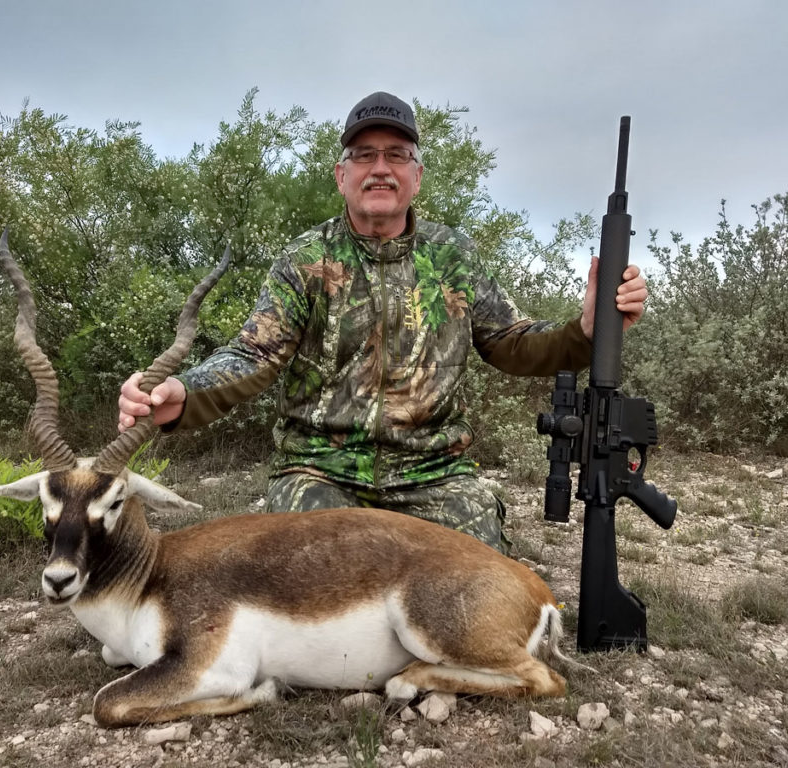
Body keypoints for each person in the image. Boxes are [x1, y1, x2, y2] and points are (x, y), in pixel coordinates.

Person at [118, 91, 647, 552]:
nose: (380, 168)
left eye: (397, 155)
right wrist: (181, 392)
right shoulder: (304, 259)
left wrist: (585, 332)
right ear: (341, 174)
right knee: (307, 582)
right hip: (320, 470)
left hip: (435, 473)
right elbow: (254, 354)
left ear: (415, 175)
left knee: (473, 590)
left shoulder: (452, 257)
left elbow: (512, 342)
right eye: (364, 154)